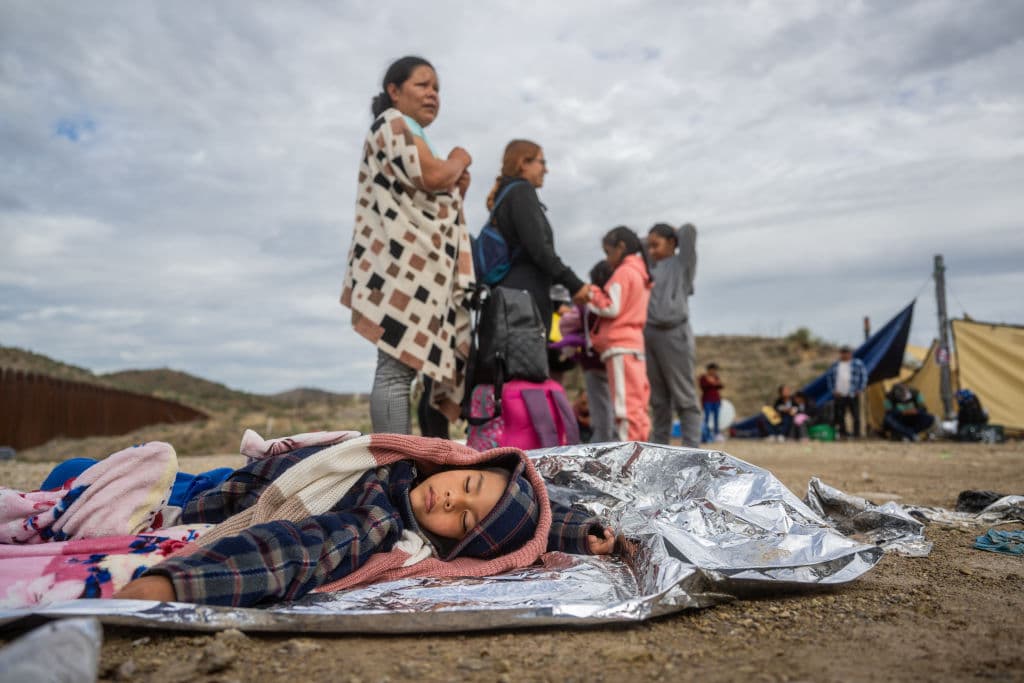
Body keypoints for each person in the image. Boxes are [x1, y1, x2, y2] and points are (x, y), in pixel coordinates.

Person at [112, 434, 617, 606]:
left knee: (79, 475)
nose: (448, 502)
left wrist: (176, 585)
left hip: (217, 500)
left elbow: (296, 551)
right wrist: (582, 531)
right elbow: (540, 505)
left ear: (456, 550)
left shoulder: (376, 522)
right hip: (243, 474)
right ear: (468, 464)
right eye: (465, 486)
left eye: (463, 524)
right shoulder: (408, 459)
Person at [340, 56, 474, 435]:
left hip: (406, 272)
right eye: (423, 85)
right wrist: (459, 159)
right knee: (396, 371)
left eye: (437, 89)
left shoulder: (405, 131)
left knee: (402, 372)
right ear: (394, 91)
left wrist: (453, 181)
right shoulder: (394, 124)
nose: (433, 94)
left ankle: (397, 464)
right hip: (399, 270)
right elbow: (433, 177)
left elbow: (431, 193)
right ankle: (393, 467)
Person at [486, 140, 590, 337]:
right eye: (542, 162)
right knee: (525, 365)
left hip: (510, 297)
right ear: (523, 163)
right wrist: (574, 284)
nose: (546, 170)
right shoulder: (521, 191)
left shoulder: (507, 195)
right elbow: (539, 248)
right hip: (524, 300)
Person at [589, 227, 653, 441]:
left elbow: (611, 306)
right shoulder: (641, 272)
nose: (608, 260)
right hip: (634, 344)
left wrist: (592, 293)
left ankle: (629, 462)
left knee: (625, 407)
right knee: (638, 405)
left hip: (620, 345)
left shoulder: (623, 272)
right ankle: (641, 453)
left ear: (621, 247)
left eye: (608, 252)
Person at [644, 223, 701, 447]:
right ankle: (661, 448)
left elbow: (689, 231)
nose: (651, 250)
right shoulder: (649, 266)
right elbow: (635, 243)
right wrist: (653, 241)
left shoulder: (682, 264)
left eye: (656, 245)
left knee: (685, 398)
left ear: (671, 243)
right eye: (649, 246)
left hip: (675, 334)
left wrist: (674, 234)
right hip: (649, 335)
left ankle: (691, 451)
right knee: (658, 400)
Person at [826, 345, 868, 439]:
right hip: (840, 394)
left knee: (856, 415)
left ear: (850, 353)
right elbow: (829, 378)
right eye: (843, 352)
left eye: (846, 352)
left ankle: (857, 434)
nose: (844, 355)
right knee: (840, 415)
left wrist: (860, 389)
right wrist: (833, 391)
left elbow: (864, 377)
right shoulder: (836, 365)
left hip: (853, 394)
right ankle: (843, 434)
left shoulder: (857, 364)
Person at [698, 363, 724, 443]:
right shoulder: (703, 378)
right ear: (709, 370)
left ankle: (716, 433)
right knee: (707, 418)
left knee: (716, 418)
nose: (714, 371)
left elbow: (721, 386)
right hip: (707, 401)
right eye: (713, 369)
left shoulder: (716, 377)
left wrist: (714, 383)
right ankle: (705, 434)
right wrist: (712, 383)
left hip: (716, 400)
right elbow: (703, 386)